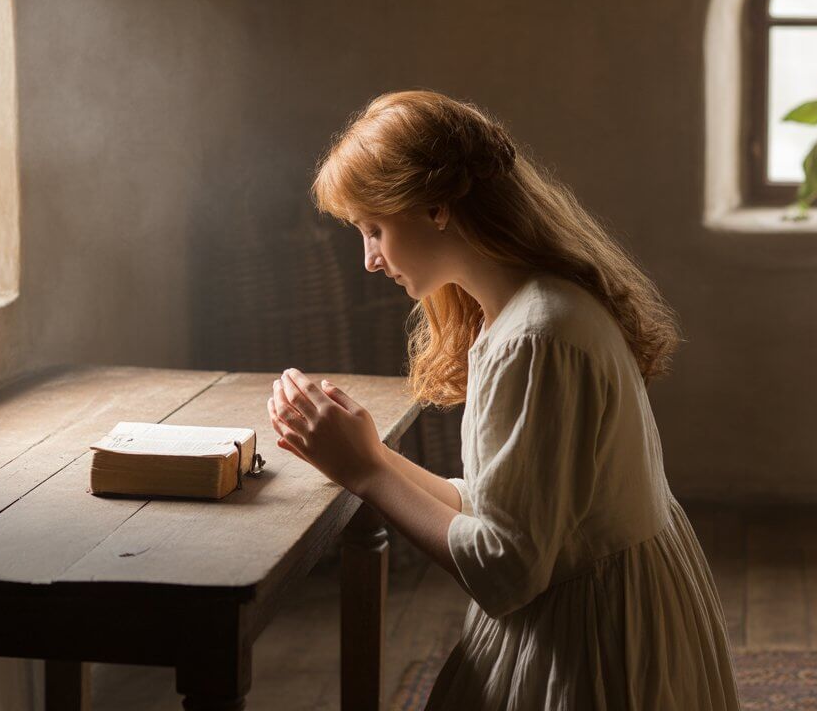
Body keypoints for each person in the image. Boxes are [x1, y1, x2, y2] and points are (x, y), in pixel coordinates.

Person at [266, 90, 740, 710]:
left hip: (591, 629)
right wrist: (366, 455)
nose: (370, 260)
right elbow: (507, 508)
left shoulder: (537, 337)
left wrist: (365, 472)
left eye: (374, 230)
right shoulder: (523, 310)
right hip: (608, 596)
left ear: (437, 207)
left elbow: (507, 567)